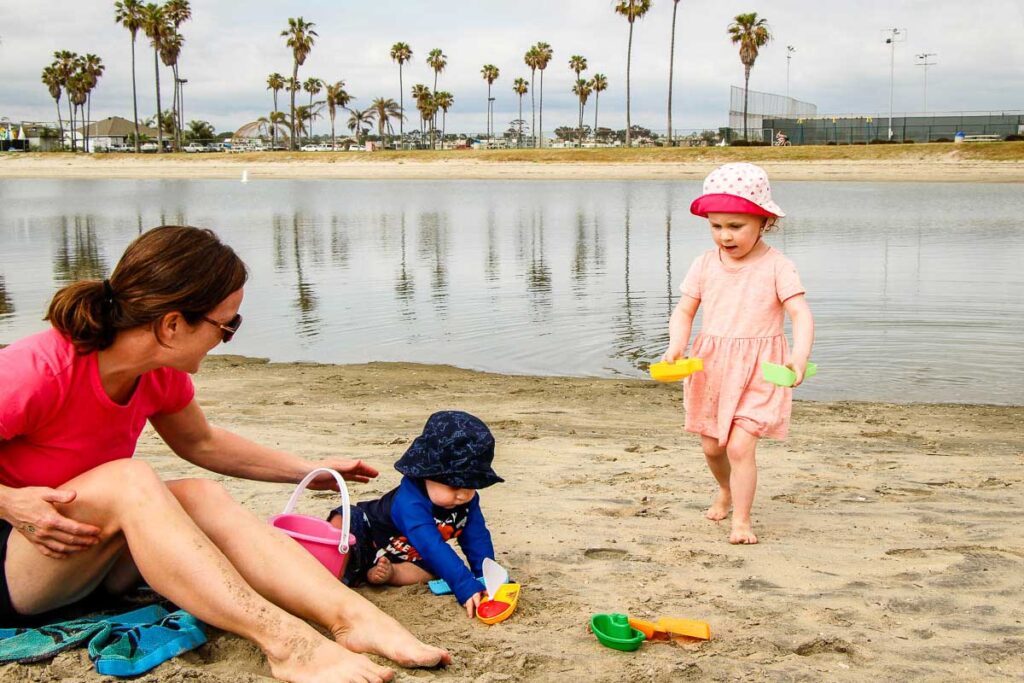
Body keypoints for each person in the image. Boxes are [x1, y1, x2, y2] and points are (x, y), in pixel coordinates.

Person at [0, 225, 450, 683]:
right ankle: (288, 645)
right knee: (130, 480)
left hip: (83, 559)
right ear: (173, 324)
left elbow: (201, 443)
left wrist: (306, 471)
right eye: (227, 325)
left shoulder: (158, 371)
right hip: (16, 566)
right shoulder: (36, 370)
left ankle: (353, 618)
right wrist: (10, 501)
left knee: (199, 494)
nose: (227, 337)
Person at [662, 163, 815, 545]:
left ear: (763, 222)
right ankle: (726, 489)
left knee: (740, 444)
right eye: (716, 226)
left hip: (762, 368)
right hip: (712, 366)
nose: (725, 236)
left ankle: (742, 521)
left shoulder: (778, 265)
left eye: (735, 226)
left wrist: (799, 356)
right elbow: (684, 310)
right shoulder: (703, 264)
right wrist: (677, 344)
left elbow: (800, 313)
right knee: (713, 446)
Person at [329, 411, 501, 619]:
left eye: (473, 485)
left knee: (432, 570)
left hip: (405, 556)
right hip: (366, 538)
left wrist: (487, 577)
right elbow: (431, 545)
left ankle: (390, 574)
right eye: (455, 485)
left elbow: (477, 537)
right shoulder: (410, 501)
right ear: (427, 475)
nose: (464, 494)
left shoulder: (466, 500)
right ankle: (332, 578)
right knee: (345, 518)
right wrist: (464, 584)